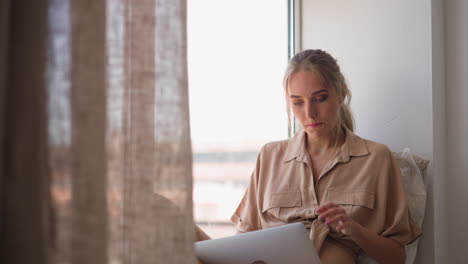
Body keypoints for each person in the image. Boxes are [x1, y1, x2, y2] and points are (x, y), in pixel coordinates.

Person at [197, 49, 422, 264]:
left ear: (341, 92)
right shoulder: (270, 156)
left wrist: (352, 228)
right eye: (297, 103)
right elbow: (243, 238)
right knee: (167, 214)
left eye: (320, 98)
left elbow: (396, 257)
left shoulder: (376, 158)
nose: (309, 113)